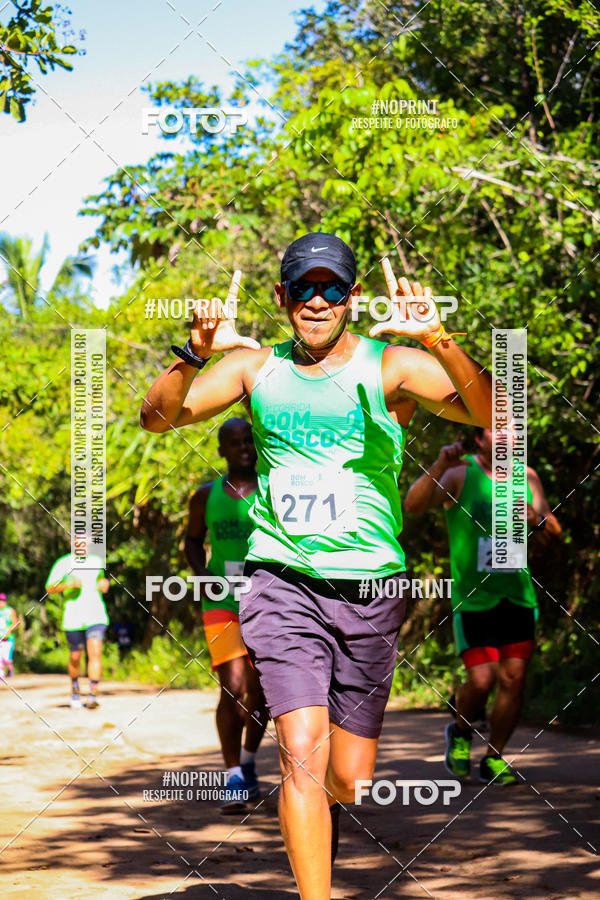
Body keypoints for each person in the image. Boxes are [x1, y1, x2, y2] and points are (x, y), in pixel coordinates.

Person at [140, 232, 492, 899]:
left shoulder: (392, 367)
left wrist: (440, 338)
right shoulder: (255, 369)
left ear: (353, 297)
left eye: (333, 287)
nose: (318, 300)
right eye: (304, 287)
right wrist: (191, 355)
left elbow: (496, 411)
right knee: (301, 754)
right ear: (283, 297)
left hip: (370, 591)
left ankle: (326, 806)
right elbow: (157, 417)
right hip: (282, 583)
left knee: (349, 776)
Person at [405, 429, 561, 785]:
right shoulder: (460, 473)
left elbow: (554, 530)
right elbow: (412, 506)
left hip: (517, 595)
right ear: (479, 439)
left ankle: (495, 757)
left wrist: (535, 519)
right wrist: (439, 463)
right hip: (473, 598)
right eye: (497, 430)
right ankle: (460, 729)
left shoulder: (528, 477)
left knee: (513, 679)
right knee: (481, 679)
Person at [185, 416, 268, 812]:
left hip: (270, 600)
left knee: (263, 693)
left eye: (248, 441)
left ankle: (250, 761)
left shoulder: (275, 490)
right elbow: (191, 541)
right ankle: (233, 774)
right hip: (221, 603)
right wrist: (203, 579)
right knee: (233, 688)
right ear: (221, 450)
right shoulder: (205, 495)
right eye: (234, 443)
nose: (243, 448)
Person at [45, 539, 110, 709]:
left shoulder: (97, 562)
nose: (83, 545)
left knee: (94, 651)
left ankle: (92, 694)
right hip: (73, 618)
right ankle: (75, 689)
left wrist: (104, 585)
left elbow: (102, 581)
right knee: (75, 657)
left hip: (96, 616)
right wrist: (68, 584)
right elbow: (49, 588)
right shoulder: (63, 563)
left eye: (86, 542)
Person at [0, 593, 19, 680]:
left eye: (3, 600)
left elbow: (16, 623)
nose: (1, 602)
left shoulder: (10, 611)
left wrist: (9, 630)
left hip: (8, 639)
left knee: (6, 658)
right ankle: (1, 674)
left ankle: (10, 669)